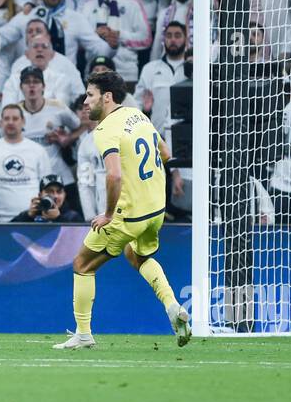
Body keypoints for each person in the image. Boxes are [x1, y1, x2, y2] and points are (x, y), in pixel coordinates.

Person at [53, 69, 191, 351]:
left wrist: (107, 214)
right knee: (137, 254)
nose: (85, 102)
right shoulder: (138, 115)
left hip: (127, 214)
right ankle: (172, 304)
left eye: (90, 95)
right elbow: (165, 154)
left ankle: (83, 333)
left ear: (107, 97)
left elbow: (114, 176)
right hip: (155, 210)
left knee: (82, 264)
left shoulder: (104, 130)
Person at [12, 174, 83, 223]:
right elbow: (8, 233)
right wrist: (27, 216)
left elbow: (78, 239)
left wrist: (58, 218)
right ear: (40, 195)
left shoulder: (73, 217)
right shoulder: (32, 213)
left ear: (64, 195)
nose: (55, 196)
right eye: (50, 191)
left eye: (59, 192)